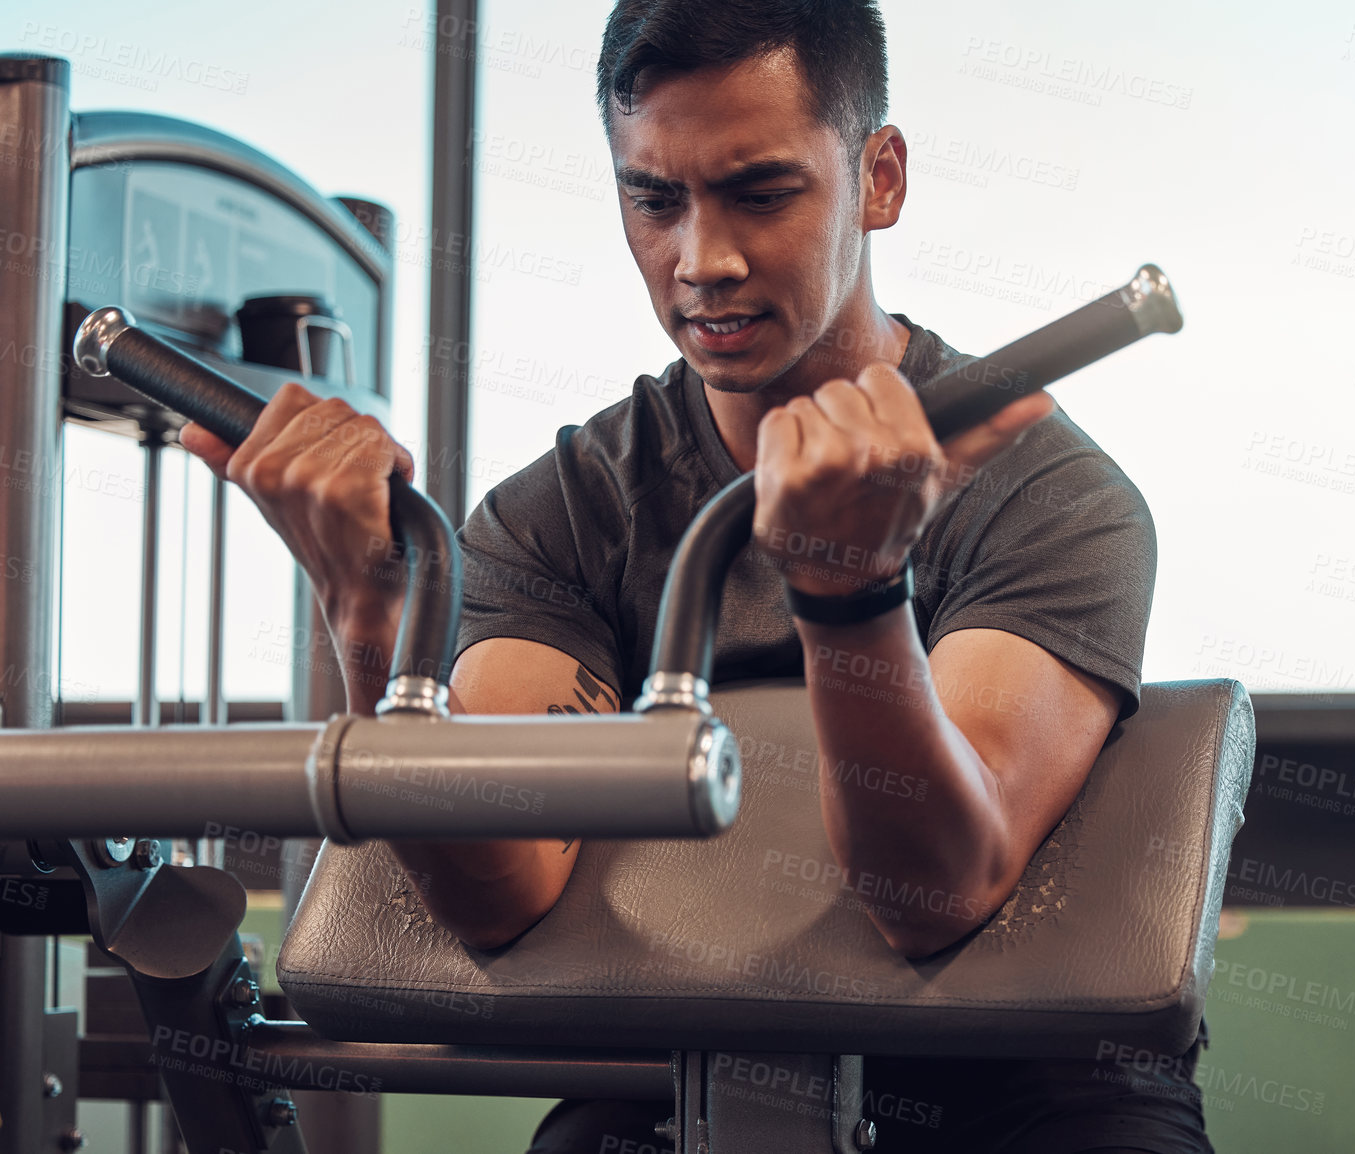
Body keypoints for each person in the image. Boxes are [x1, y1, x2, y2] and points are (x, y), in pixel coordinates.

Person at [182, 2, 1209, 1150]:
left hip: (1019, 1080)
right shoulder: (562, 509)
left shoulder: (1051, 493)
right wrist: (372, 618)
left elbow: (934, 898)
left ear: (879, 177)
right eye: (653, 199)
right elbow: (499, 889)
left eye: (761, 193)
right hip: (664, 1057)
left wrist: (851, 591)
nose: (701, 260)